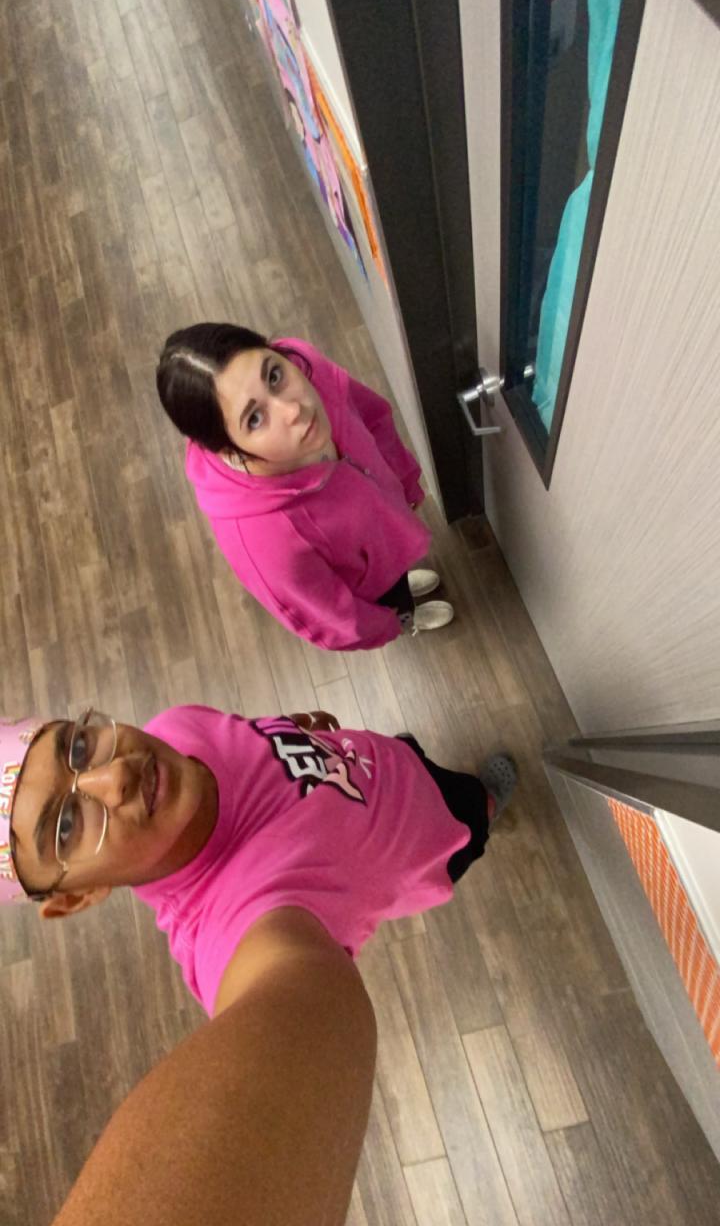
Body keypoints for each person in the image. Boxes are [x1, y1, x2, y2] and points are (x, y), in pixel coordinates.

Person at [2, 705, 516, 1223]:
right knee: (472, 809)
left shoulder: (172, 731)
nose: (116, 775)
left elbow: (251, 740)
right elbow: (291, 1005)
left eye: (78, 747)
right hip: (435, 836)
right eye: (67, 826)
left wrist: (297, 727)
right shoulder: (232, 932)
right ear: (77, 896)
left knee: (412, 755)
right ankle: (488, 808)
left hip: (379, 758)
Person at [155, 324, 455, 651]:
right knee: (395, 602)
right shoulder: (262, 538)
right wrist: (386, 625)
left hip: (390, 530)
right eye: (254, 418)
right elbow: (333, 619)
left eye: (273, 376)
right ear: (229, 450)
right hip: (370, 586)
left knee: (399, 576)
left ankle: (401, 585)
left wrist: (405, 481)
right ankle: (407, 620)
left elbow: (372, 415)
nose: (294, 409)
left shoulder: (303, 366)